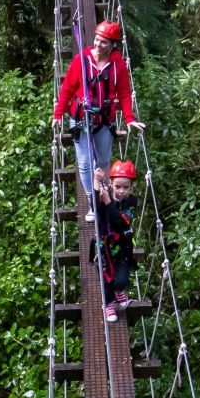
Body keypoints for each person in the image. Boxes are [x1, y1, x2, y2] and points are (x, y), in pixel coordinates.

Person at [53, 20, 143, 222]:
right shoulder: (81, 60)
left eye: (103, 42)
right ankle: (93, 200)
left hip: (104, 119)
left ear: (113, 45)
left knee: (102, 161)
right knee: (85, 164)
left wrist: (129, 118)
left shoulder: (118, 64)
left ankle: (102, 189)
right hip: (81, 118)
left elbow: (125, 93)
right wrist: (58, 114)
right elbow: (67, 88)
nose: (98, 44)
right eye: (97, 39)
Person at [97, 160, 141, 321]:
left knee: (121, 279)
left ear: (131, 187)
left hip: (122, 247)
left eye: (125, 187)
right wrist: (96, 181)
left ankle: (119, 290)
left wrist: (109, 203)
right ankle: (108, 304)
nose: (121, 191)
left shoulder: (132, 203)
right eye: (117, 186)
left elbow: (120, 222)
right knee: (107, 277)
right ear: (111, 184)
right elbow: (95, 207)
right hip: (104, 247)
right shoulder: (104, 197)